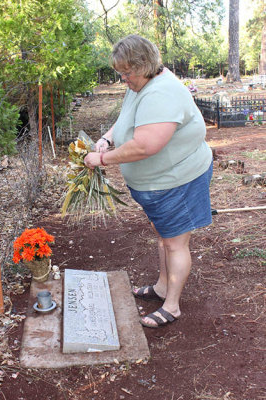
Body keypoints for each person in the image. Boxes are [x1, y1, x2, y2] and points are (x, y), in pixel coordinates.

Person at [84, 34, 213, 329]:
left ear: (143, 65)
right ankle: (162, 287)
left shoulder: (162, 93)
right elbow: (127, 117)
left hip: (178, 181)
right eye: (120, 72)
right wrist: (108, 138)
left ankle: (172, 306)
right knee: (163, 235)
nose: (123, 79)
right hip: (157, 184)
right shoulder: (141, 83)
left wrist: (102, 159)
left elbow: (145, 146)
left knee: (175, 242)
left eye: (126, 72)